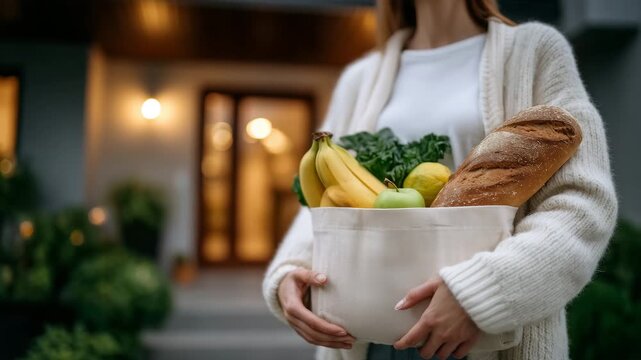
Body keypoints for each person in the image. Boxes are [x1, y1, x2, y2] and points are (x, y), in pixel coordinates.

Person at [262, 0, 618, 359]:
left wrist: (481, 293)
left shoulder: (534, 50)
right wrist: (291, 271)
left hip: (484, 335)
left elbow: (583, 203)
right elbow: (326, 198)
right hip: (367, 342)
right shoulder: (361, 78)